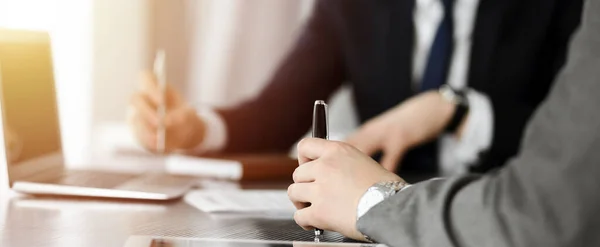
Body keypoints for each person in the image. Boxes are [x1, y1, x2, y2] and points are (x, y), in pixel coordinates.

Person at [287, 0, 600, 247]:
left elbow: (553, 213)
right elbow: (276, 109)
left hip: (487, 242)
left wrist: (374, 200)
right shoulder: (352, 7)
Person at [129, 0, 582, 176]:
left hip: (497, 220)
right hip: (381, 227)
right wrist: (196, 129)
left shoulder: (558, 10)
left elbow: (577, 143)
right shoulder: (354, 6)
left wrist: (458, 111)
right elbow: (277, 111)